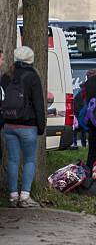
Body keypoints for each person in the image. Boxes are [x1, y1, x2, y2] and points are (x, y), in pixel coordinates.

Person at [0, 47, 46, 208]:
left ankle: (12, 195)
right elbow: (39, 104)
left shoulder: (6, 76)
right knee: (29, 160)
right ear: (30, 59)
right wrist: (41, 125)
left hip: (9, 124)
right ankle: (25, 196)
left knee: (12, 160)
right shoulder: (33, 77)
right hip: (28, 125)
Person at [71, 68, 96, 149]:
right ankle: (83, 145)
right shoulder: (91, 89)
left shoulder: (82, 91)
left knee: (81, 130)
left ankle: (77, 144)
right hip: (85, 113)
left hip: (82, 113)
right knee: (86, 130)